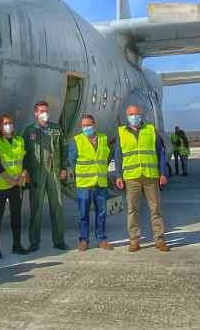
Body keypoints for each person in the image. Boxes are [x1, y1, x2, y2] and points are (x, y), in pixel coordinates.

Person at [114, 105, 169, 252]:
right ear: (127, 116)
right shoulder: (122, 133)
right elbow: (118, 156)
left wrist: (162, 173)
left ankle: (159, 239)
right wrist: (118, 175)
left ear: (141, 114)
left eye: (136, 114)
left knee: (155, 209)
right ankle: (134, 240)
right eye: (131, 114)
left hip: (150, 175)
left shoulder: (151, 131)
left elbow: (160, 154)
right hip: (132, 177)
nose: (134, 116)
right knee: (132, 210)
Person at [22, 101, 68, 251]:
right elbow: (24, 154)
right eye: (42, 111)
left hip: (53, 173)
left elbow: (63, 148)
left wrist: (63, 168)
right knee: (36, 208)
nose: (45, 114)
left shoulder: (56, 129)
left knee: (57, 207)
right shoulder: (29, 131)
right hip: (37, 174)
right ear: (35, 113)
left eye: (46, 111)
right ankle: (34, 242)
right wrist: (25, 171)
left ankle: (59, 240)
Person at [64, 114, 113, 251]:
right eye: (84, 126)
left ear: (94, 124)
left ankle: (101, 239)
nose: (86, 128)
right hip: (84, 184)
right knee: (83, 213)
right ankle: (83, 240)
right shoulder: (77, 141)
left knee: (101, 213)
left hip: (100, 183)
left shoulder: (103, 139)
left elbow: (106, 157)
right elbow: (72, 160)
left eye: (88, 125)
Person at [0, 113, 29, 258]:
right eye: (5, 123)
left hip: (17, 185)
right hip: (1, 185)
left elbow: (24, 160)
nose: (8, 125)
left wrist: (22, 175)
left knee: (16, 216)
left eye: (10, 123)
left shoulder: (20, 141)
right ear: (0, 126)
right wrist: (9, 179)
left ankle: (17, 245)